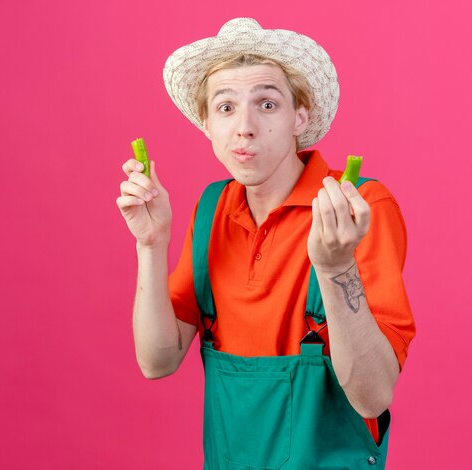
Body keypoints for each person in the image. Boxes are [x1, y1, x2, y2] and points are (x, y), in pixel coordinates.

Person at [116, 18, 415, 470]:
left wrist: (336, 270)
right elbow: (156, 361)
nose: (245, 127)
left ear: (301, 117)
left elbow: (373, 396)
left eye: (268, 104)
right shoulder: (212, 208)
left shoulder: (359, 207)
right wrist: (151, 245)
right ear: (206, 123)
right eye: (225, 107)